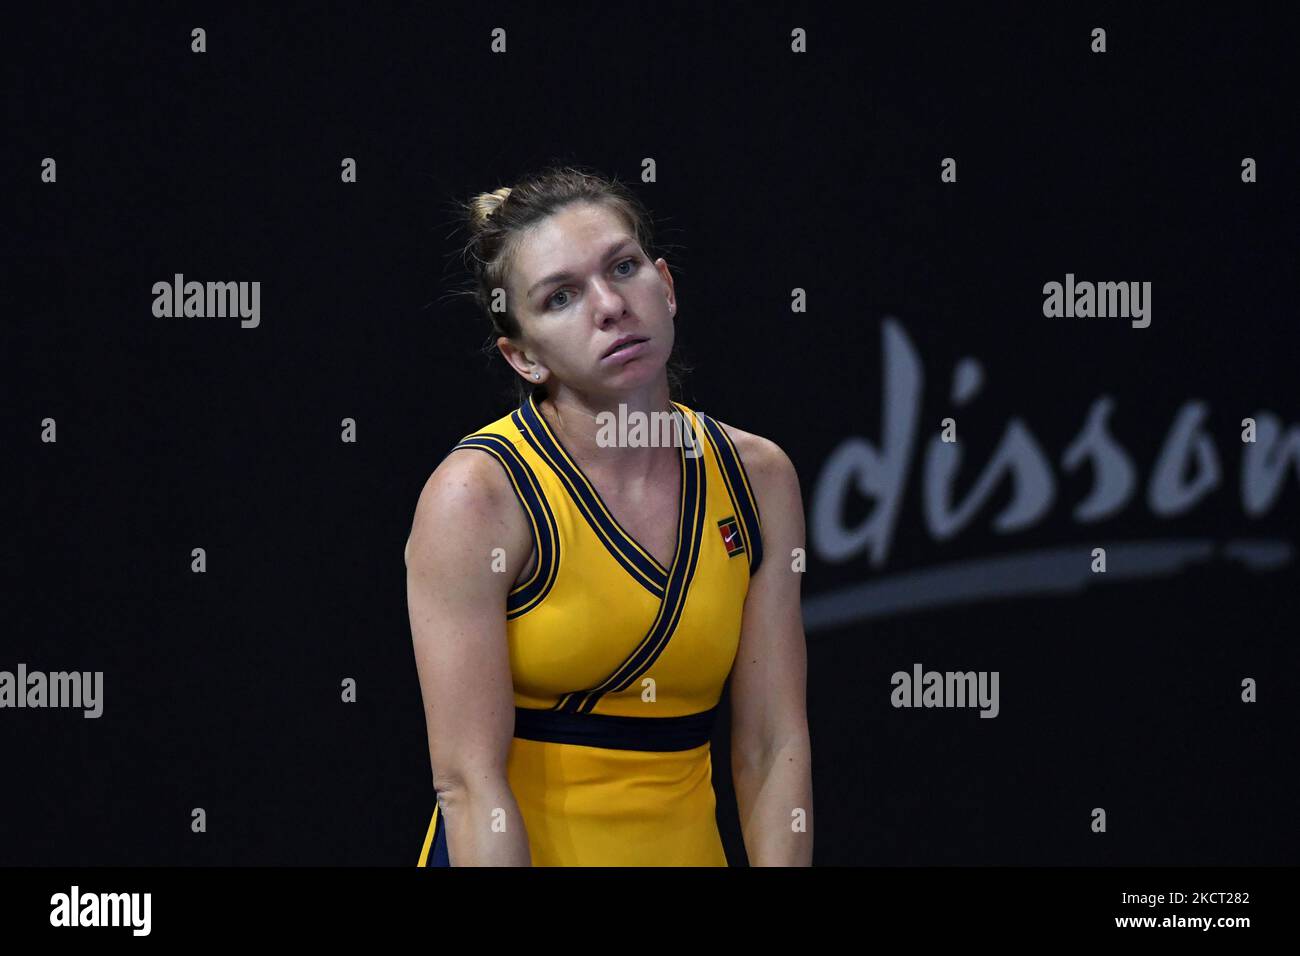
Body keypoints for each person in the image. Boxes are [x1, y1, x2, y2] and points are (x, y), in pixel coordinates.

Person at [406, 166, 812, 865]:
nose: (609, 305)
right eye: (561, 296)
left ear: (667, 286)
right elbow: (469, 784)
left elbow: (771, 744)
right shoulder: (477, 496)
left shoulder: (758, 478)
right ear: (523, 356)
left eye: (622, 268)